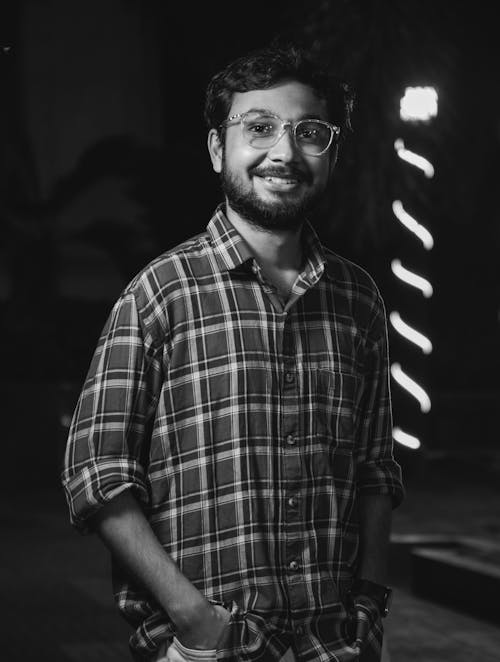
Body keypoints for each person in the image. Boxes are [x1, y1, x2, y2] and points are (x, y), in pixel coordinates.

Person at [62, 43, 404, 662]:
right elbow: (96, 475)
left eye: (309, 132)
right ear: (220, 148)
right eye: (260, 128)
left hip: (334, 646)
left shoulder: (360, 301)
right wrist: (193, 617)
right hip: (211, 648)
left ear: (332, 154)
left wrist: (370, 608)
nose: (284, 152)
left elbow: (375, 468)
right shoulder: (161, 293)